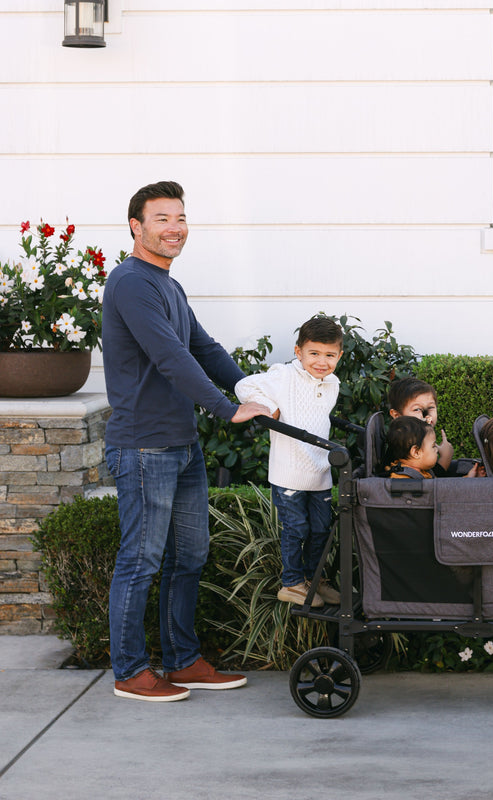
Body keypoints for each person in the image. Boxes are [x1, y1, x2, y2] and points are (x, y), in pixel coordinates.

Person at [103, 180, 272, 703]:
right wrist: (226, 409)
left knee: (189, 557)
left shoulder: (166, 284)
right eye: (162, 219)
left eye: (180, 218)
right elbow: (170, 358)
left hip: (181, 444)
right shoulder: (131, 282)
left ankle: (181, 661)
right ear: (136, 226)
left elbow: (202, 346)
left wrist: (250, 389)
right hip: (144, 445)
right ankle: (130, 671)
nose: (175, 228)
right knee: (141, 561)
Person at [234, 316, 344, 607]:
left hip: (320, 472)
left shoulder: (332, 383)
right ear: (299, 352)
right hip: (289, 474)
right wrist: (271, 409)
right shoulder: (283, 376)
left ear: (339, 356)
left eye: (330, 355)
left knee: (321, 529)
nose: (322, 361)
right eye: (314, 353)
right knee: (297, 529)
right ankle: (292, 582)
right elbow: (244, 386)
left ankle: (315, 579)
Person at [387, 377, 478, 477]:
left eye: (430, 407)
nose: (427, 415)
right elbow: (433, 485)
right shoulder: (398, 448)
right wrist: (445, 459)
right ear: (397, 415)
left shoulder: (422, 438)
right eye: (417, 409)